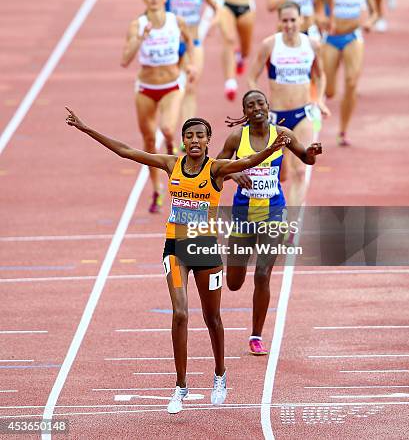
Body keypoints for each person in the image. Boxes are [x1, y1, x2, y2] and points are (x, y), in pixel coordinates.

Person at [65, 107, 291, 413]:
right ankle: (180, 386)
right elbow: (125, 151)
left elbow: (249, 161)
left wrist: (271, 149)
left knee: (213, 319)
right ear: (183, 141)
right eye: (189, 135)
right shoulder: (172, 164)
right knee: (181, 313)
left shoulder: (216, 169)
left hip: (207, 251)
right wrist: (86, 128)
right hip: (175, 249)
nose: (194, 140)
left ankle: (220, 374)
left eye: (200, 135)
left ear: (209, 140)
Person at [216, 90, 322, 355]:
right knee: (234, 282)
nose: (256, 108)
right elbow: (216, 168)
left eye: (260, 103)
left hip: (274, 213)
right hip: (243, 216)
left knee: (262, 275)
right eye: (250, 105)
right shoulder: (236, 138)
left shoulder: (283, 135)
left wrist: (311, 152)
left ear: (267, 106)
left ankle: (256, 336)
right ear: (245, 112)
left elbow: (306, 159)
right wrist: (235, 172)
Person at [120, 0, 196, 213]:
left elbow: (190, 42)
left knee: (167, 129)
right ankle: (157, 188)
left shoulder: (176, 21)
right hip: (146, 88)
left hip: (171, 85)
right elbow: (125, 60)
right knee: (149, 142)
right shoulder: (138, 25)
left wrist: (189, 63)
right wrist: (140, 38)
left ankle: (173, 148)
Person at [248, 1, 329, 206]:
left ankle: (288, 228)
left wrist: (318, 99)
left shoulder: (311, 45)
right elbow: (252, 77)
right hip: (276, 118)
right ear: (279, 22)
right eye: (285, 20)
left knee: (300, 171)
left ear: (301, 20)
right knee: (279, 174)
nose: (290, 24)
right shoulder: (270, 45)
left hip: (303, 115)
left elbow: (320, 77)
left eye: (293, 20)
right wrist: (257, 105)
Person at [322, 0, 377, 146]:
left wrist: (369, 22)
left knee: (352, 82)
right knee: (329, 91)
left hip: (353, 37)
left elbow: (375, 11)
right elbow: (316, 6)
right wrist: (321, 20)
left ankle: (343, 131)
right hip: (331, 38)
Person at [155, 0, 217, 124]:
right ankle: (166, 123)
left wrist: (213, 23)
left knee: (191, 87)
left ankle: (186, 132)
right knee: (167, 88)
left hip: (193, 44)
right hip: (171, 45)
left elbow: (218, 9)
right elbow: (154, 9)